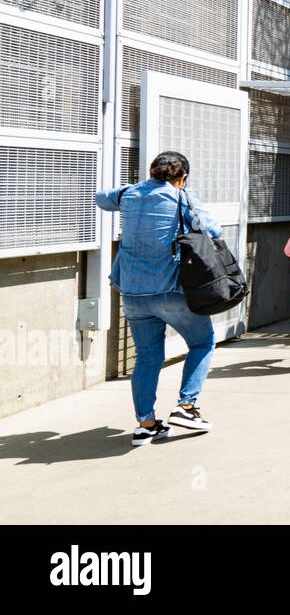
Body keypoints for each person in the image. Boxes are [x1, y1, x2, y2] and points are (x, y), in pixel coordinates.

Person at [95, 151, 223, 446]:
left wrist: (131, 190)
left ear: (152, 172)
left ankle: (146, 424)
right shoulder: (181, 197)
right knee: (202, 342)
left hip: (133, 294)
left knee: (147, 357)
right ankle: (186, 407)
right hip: (170, 291)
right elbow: (213, 230)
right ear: (183, 177)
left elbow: (101, 198)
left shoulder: (128, 194)